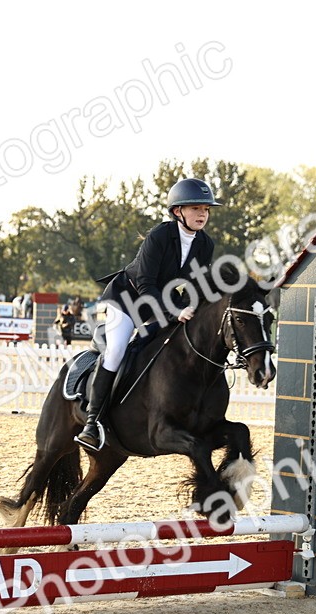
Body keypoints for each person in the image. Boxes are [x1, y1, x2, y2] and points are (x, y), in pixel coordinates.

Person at [74, 177, 219, 451]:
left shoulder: (205, 244)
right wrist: (175, 310)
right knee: (116, 350)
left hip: (162, 302)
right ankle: (92, 422)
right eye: (196, 208)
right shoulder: (160, 236)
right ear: (178, 211)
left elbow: (194, 284)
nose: (203, 214)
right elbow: (145, 284)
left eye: (206, 209)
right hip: (129, 299)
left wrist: (194, 308)